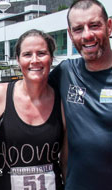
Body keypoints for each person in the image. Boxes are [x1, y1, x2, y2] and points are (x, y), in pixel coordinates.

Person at [0, 29, 67, 190]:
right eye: (27, 54)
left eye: (42, 53)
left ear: (51, 58)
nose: (35, 60)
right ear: (17, 59)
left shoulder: (62, 102)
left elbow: (66, 161)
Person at [48, 0, 112, 190]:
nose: (87, 35)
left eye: (94, 26)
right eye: (78, 29)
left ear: (109, 27)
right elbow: (27, 92)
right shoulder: (66, 72)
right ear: (70, 34)